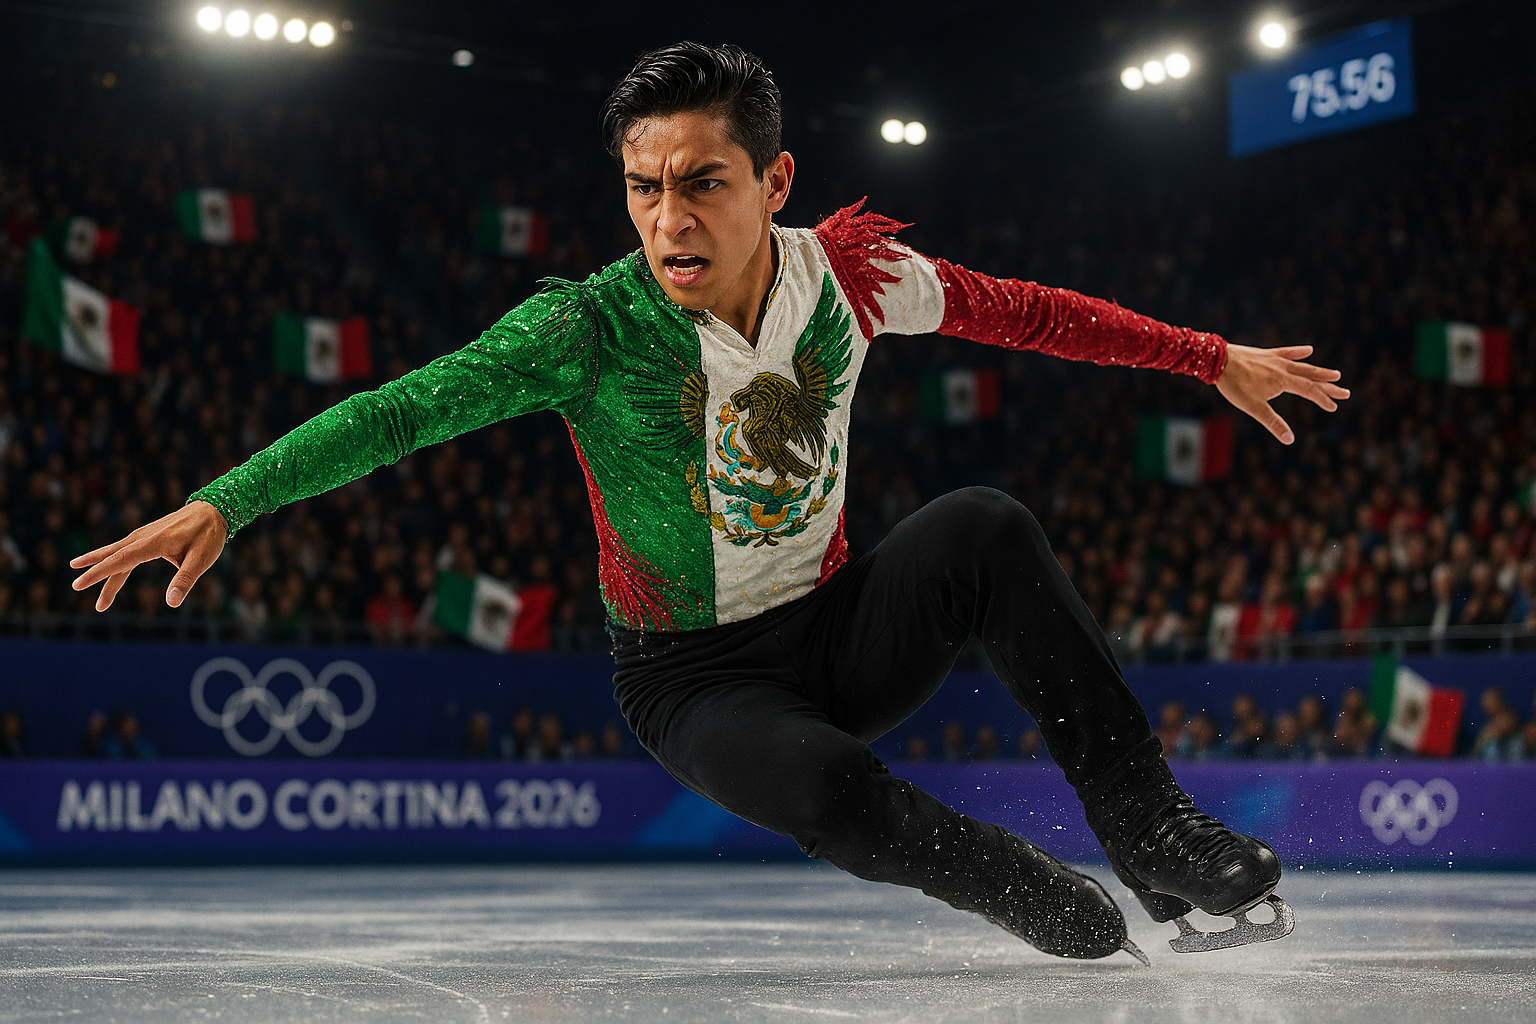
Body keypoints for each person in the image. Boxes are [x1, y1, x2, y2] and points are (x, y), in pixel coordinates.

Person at [68, 43, 1347, 963]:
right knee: (833, 789)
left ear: (775, 182)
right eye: (643, 186)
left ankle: (1148, 827)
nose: (669, 221)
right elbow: (402, 407)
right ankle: (1026, 888)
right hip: (696, 680)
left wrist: (1207, 355)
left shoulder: (846, 273)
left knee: (984, 524)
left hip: (840, 625)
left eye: (703, 183)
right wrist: (228, 500)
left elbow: (1031, 312)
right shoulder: (582, 327)